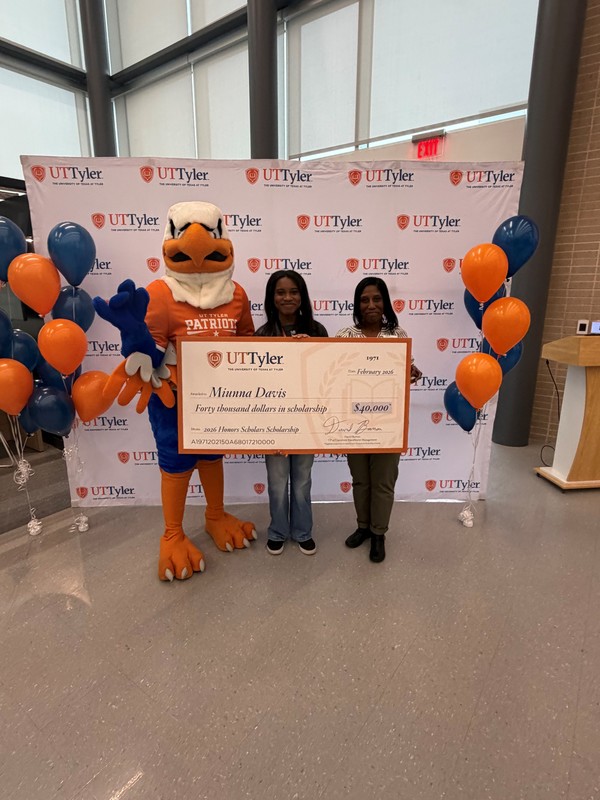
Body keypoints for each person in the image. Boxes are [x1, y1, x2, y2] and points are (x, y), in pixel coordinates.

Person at [336, 277, 422, 564]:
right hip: (353, 423)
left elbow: (408, 371)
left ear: (385, 302)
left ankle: (379, 533)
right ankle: (362, 527)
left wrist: (413, 372)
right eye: (364, 300)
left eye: (376, 299)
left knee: (383, 482)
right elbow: (332, 375)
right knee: (361, 480)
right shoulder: (344, 336)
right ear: (357, 304)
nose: (370, 305)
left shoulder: (397, 336)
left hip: (388, 423)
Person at [255, 270, 328, 555]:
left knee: (302, 480)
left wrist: (307, 350)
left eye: (294, 291)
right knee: (276, 481)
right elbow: (253, 381)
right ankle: (277, 531)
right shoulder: (262, 335)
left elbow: (328, 375)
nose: (288, 297)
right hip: (274, 421)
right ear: (271, 298)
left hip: (307, 420)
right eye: (281, 292)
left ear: (302, 296)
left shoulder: (318, 330)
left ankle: (302, 531)